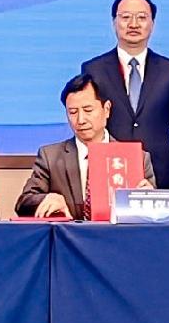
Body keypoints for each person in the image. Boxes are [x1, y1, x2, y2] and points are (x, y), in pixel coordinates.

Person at [80, 0, 169, 184]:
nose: (133, 24)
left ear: (153, 24)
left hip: (161, 175)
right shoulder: (93, 69)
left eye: (142, 17)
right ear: (114, 22)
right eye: (125, 17)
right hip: (109, 170)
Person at [16, 76, 125, 219]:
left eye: (88, 110)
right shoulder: (51, 157)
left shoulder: (136, 158)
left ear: (107, 109)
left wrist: (146, 198)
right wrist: (46, 198)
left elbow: (149, 219)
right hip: (68, 240)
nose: (80, 120)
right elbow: (23, 203)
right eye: (73, 112)